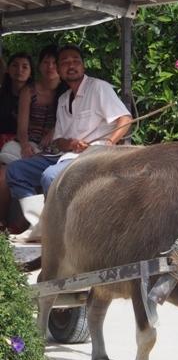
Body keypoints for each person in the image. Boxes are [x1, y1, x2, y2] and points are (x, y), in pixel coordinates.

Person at [6, 44, 132, 241]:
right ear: (58, 68)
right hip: (65, 156)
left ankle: (64, 236)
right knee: (16, 170)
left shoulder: (98, 87)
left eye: (75, 61)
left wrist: (108, 142)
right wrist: (70, 143)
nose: (71, 65)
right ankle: (41, 226)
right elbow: (59, 141)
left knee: (51, 177)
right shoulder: (64, 98)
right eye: (65, 62)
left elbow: (125, 119)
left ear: (83, 66)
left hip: (94, 156)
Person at [0, 52, 34, 229]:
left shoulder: (36, 96)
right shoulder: (2, 94)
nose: (19, 70)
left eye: (25, 66)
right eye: (15, 65)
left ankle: (3, 221)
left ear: (31, 71)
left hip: (20, 148)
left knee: (5, 173)